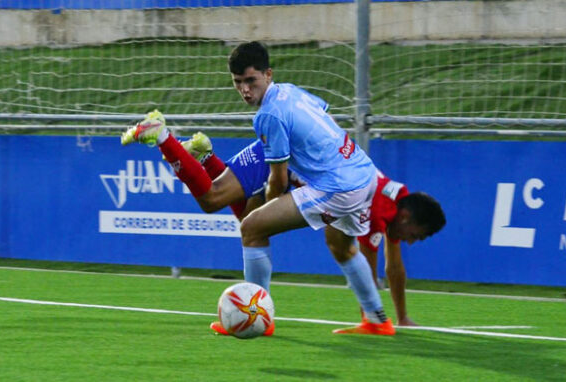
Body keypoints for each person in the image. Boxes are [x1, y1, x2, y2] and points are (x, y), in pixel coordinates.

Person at [122, 41, 401, 336]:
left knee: (251, 227)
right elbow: (324, 117)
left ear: (268, 74)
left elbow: (278, 181)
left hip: (337, 184)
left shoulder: (268, 115)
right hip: (362, 171)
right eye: (238, 83)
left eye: (251, 81)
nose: (245, 90)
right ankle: (377, 318)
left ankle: (257, 317)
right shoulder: (290, 91)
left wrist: (265, 213)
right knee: (340, 244)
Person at [173, 133, 444, 327]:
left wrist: (401, 317)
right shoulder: (378, 209)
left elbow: (394, 267)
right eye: (415, 236)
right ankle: (171, 142)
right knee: (229, 210)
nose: (410, 242)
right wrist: (375, 316)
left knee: (255, 223)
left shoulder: (396, 201)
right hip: (278, 160)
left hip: (304, 174)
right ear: (407, 217)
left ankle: (206, 156)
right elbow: (370, 261)